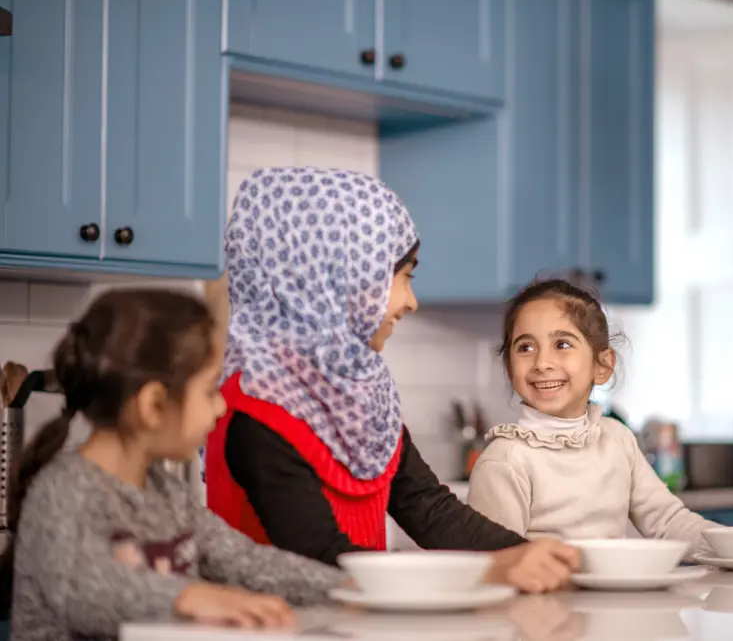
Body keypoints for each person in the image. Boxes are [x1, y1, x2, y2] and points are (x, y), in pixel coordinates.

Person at [204, 167, 578, 593]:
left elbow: (430, 510)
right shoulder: (256, 408)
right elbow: (320, 557)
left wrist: (528, 554)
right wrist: (491, 571)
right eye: (403, 276)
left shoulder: (359, 395)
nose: (411, 301)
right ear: (338, 274)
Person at [1, 289, 351, 641]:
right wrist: (188, 597)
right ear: (153, 405)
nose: (220, 408)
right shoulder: (63, 492)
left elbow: (246, 562)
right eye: (210, 391)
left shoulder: (168, 493)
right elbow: (82, 586)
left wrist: (349, 588)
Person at [466, 279, 718, 553]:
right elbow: (498, 562)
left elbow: (669, 522)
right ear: (508, 367)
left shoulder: (617, 439)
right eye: (526, 347)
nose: (542, 363)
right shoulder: (506, 461)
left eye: (562, 344)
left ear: (603, 365)